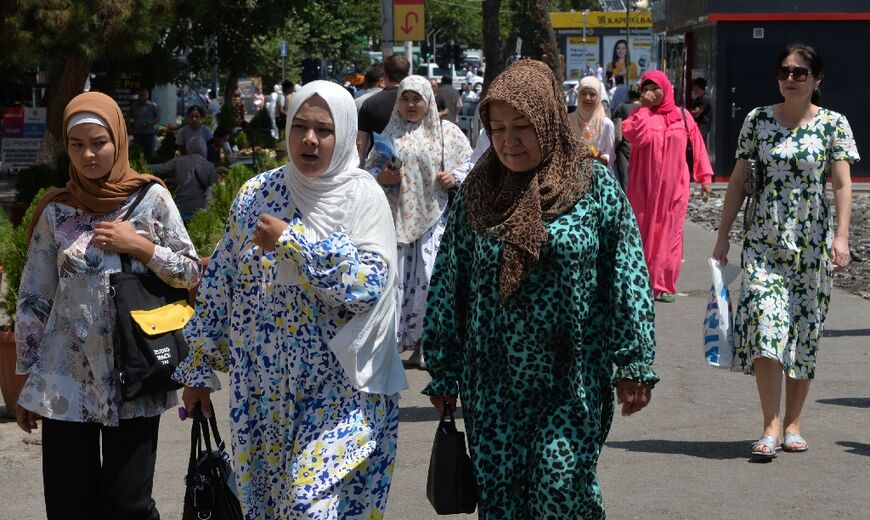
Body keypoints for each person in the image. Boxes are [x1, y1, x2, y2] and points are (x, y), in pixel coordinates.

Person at [422, 59, 657, 519]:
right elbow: (451, 283)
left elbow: (627, 274)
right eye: (498, 127)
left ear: (549, 118)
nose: (509, 141)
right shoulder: (477, 193)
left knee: (560, 485)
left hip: (571, 375)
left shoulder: (595, 188)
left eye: (523, 126)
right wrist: (443, 368)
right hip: (492, 379)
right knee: (502, 499)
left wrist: (635, 360)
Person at [174, 80, 408, 519]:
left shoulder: (362, 196)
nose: (310, 140)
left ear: (344, 134)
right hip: (264, 393)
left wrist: (294, 243)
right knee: (269, 506)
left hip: (341, 389)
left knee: (307, 503)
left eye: (324, 129)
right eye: (300, 126)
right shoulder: (257, 194)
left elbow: (369, 284)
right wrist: (199, 369)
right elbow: (222, 281)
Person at [14, 91, 202, 519]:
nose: (88, 154)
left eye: (98, 142)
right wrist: (26, 380)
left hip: (134, 373)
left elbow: (191, 272)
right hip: (66, 378)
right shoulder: (57, 210)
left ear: (118, 139)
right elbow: (34, 299)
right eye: (77, 145)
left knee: (128, 504)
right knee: (69, 505)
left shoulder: (150, 199)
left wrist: (140, 246)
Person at [711, 42, 859, 461]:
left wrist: (842, 237)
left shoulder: (833, 124)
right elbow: (739, 181)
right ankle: (770, 425)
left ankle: (793, 422)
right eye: (783, 72)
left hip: (811, 246)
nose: (790, 79)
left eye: (799, 72)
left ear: (816, 79)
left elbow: (843, 184)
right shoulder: (757, 121)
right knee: (765, 325)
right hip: (764, 242)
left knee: (803, 334)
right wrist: (723, 236)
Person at [365, 75, 472, 366]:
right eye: (405, 98)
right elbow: (369, 172)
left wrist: (455, 177)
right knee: (396, 281)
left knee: (429, 280)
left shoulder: (446, 132)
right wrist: (383, 177)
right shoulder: (389, 134)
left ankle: (427, 345)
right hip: (395, 218)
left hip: (433, 217)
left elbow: (471, 164)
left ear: (428, 101)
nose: (411, 105)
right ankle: (394, 345)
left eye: (417, 99)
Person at [622, 71, 713, 302]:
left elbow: (698, 146)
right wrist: (643, 107)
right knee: (641, 232)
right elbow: (634, 136)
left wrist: (704, 178)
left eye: (655, 87)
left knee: (669, 235)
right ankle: (639, 282)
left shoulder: (682, 116)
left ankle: (662, 285)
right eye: (646, 88)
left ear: (666, 88)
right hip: (643, 188)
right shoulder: (641, 116)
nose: (651, 92)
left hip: (674, 188)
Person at [149, 136, 217, 222]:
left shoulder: (179, 161)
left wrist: (139, 165)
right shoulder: (210, 166)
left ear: (189, 146)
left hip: (180, 207)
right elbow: (212, 189)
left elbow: (161, 168)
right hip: (199, 209)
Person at [357, 54, 410, 164]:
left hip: (380, 166)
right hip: (411, 162)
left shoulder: (370, 103)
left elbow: (360, 144)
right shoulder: (415, 103)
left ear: (385, 75)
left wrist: (360, 171)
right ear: (407, 75)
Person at [568, 76, 616, 174]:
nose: (587, 98)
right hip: (574, 176)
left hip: (599, 178)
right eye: (583, 93)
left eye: (592, 94)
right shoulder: (569, 120)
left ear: (598, 96)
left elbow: (611, 156)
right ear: (578, 95)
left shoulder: (606, 124)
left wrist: (598, 155)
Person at [610, 84, 643, 191]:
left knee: (625, 181)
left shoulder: (621, 107)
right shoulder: (646, 108)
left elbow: (617, 135)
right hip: (642, 149)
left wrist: (613, 148)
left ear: (629, 94)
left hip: (624, 149)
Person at [127, 88, 160, 161]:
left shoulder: (153, 106)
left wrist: (151, 123)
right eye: (140, 95)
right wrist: (130, 129)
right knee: (136, 153)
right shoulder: (134, 106)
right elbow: (128, 117)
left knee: (150, 154)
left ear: (147, 96)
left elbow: (158, 118)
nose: (142, 97)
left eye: (144, 95)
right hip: (138, 133)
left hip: (149, 134)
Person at [690, 77, 712, 143]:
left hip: (703, 126)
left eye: (694, 86)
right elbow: (692, 111)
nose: (693, 89)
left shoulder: (705, 99)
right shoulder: (697, 99)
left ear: (697, 86)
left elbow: (696, 114)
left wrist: (694, 112)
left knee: (701, 144)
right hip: (696, 126)